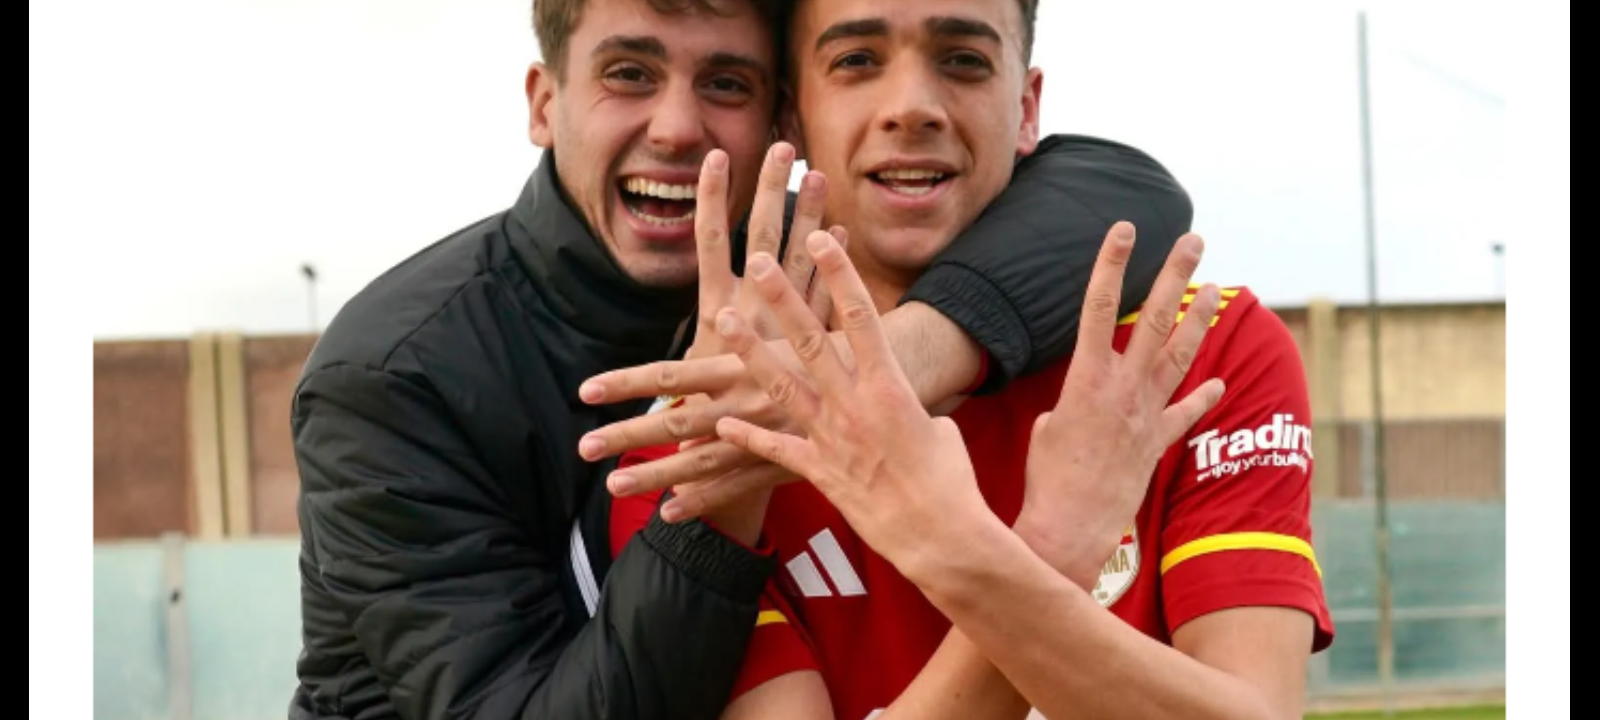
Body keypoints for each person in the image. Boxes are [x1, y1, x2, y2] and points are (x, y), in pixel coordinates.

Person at [286, 0, 1194, 719]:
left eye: (727, 83)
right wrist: (718, 488)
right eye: (629, 74)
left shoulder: (793, 271)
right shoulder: (396, 379)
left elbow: (1127, 191)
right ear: (543, 102)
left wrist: (889, 369)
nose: (677, 127)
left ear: (781, 116)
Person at [595, 1, 1335, 719]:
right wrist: (1044, 554)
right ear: (792, 116)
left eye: (963, 61)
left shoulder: (1203, 349)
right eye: (857, 60)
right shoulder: (704, 435)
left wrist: (958, 549)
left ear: (1026, 108)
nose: (911, 107)